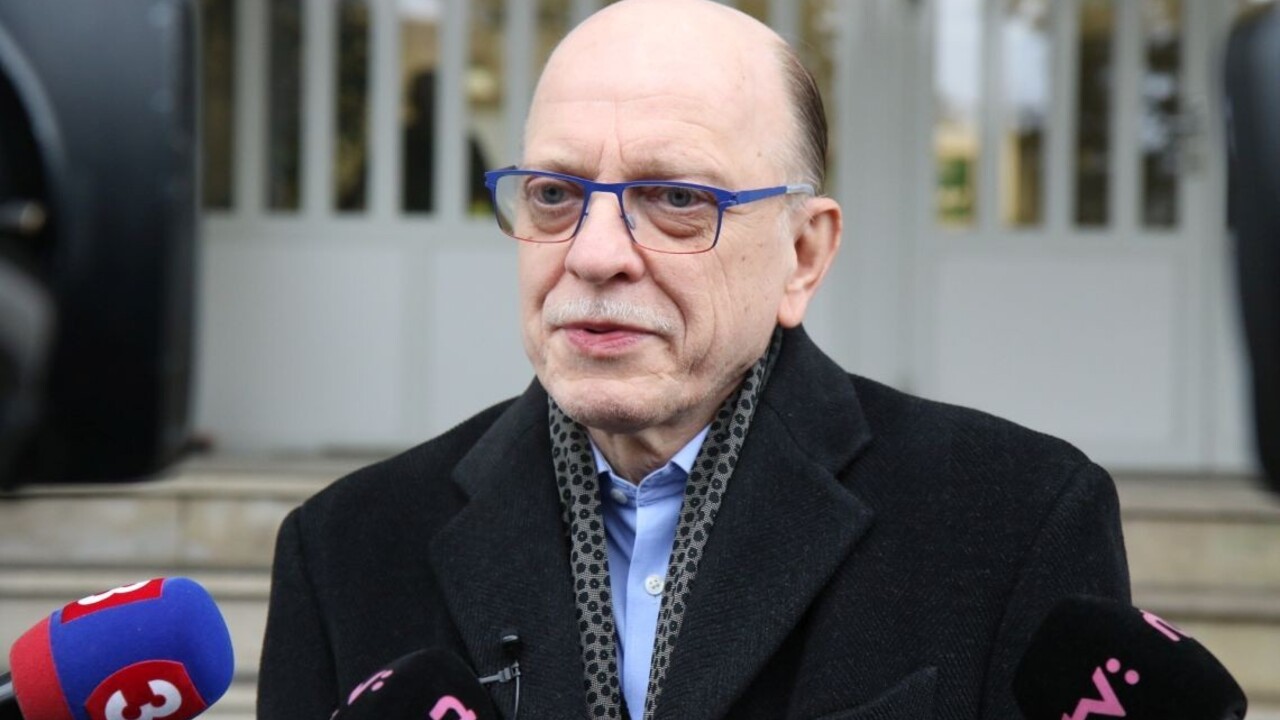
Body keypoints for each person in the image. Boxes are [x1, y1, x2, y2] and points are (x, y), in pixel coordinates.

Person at [258, 1, 1129, 718]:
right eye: (555, 194)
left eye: (676, 197)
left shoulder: (1014, 521)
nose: (595, 254)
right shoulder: (345, 551)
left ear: (803, 255)